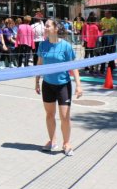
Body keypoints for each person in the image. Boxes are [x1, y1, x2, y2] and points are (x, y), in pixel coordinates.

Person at [34, 18, 83, 156]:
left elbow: (74, 67)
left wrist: (78, 85)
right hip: (47, 84)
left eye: (48, 26)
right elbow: (39, 63)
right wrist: (37, 81)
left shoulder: (66, 46)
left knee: (64, 117)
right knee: (49, 115)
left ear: (55, 29)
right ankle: (52, 141)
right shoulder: (43, 45)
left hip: (63, 85)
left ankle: (66, 143)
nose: (45, 28)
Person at [99, 10, 117, 75]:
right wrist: (103, 30)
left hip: (111, 37)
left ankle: (110, 67)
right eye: (105, 13)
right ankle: (102, 69)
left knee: (111, 53)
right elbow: (100, 27)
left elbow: (116, 29)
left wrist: (115, 39)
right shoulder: (102, 19)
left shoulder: (114, 20)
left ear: (110, 14)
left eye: (107, 13)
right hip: (104, 37)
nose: (105, 14)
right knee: (103, 52)